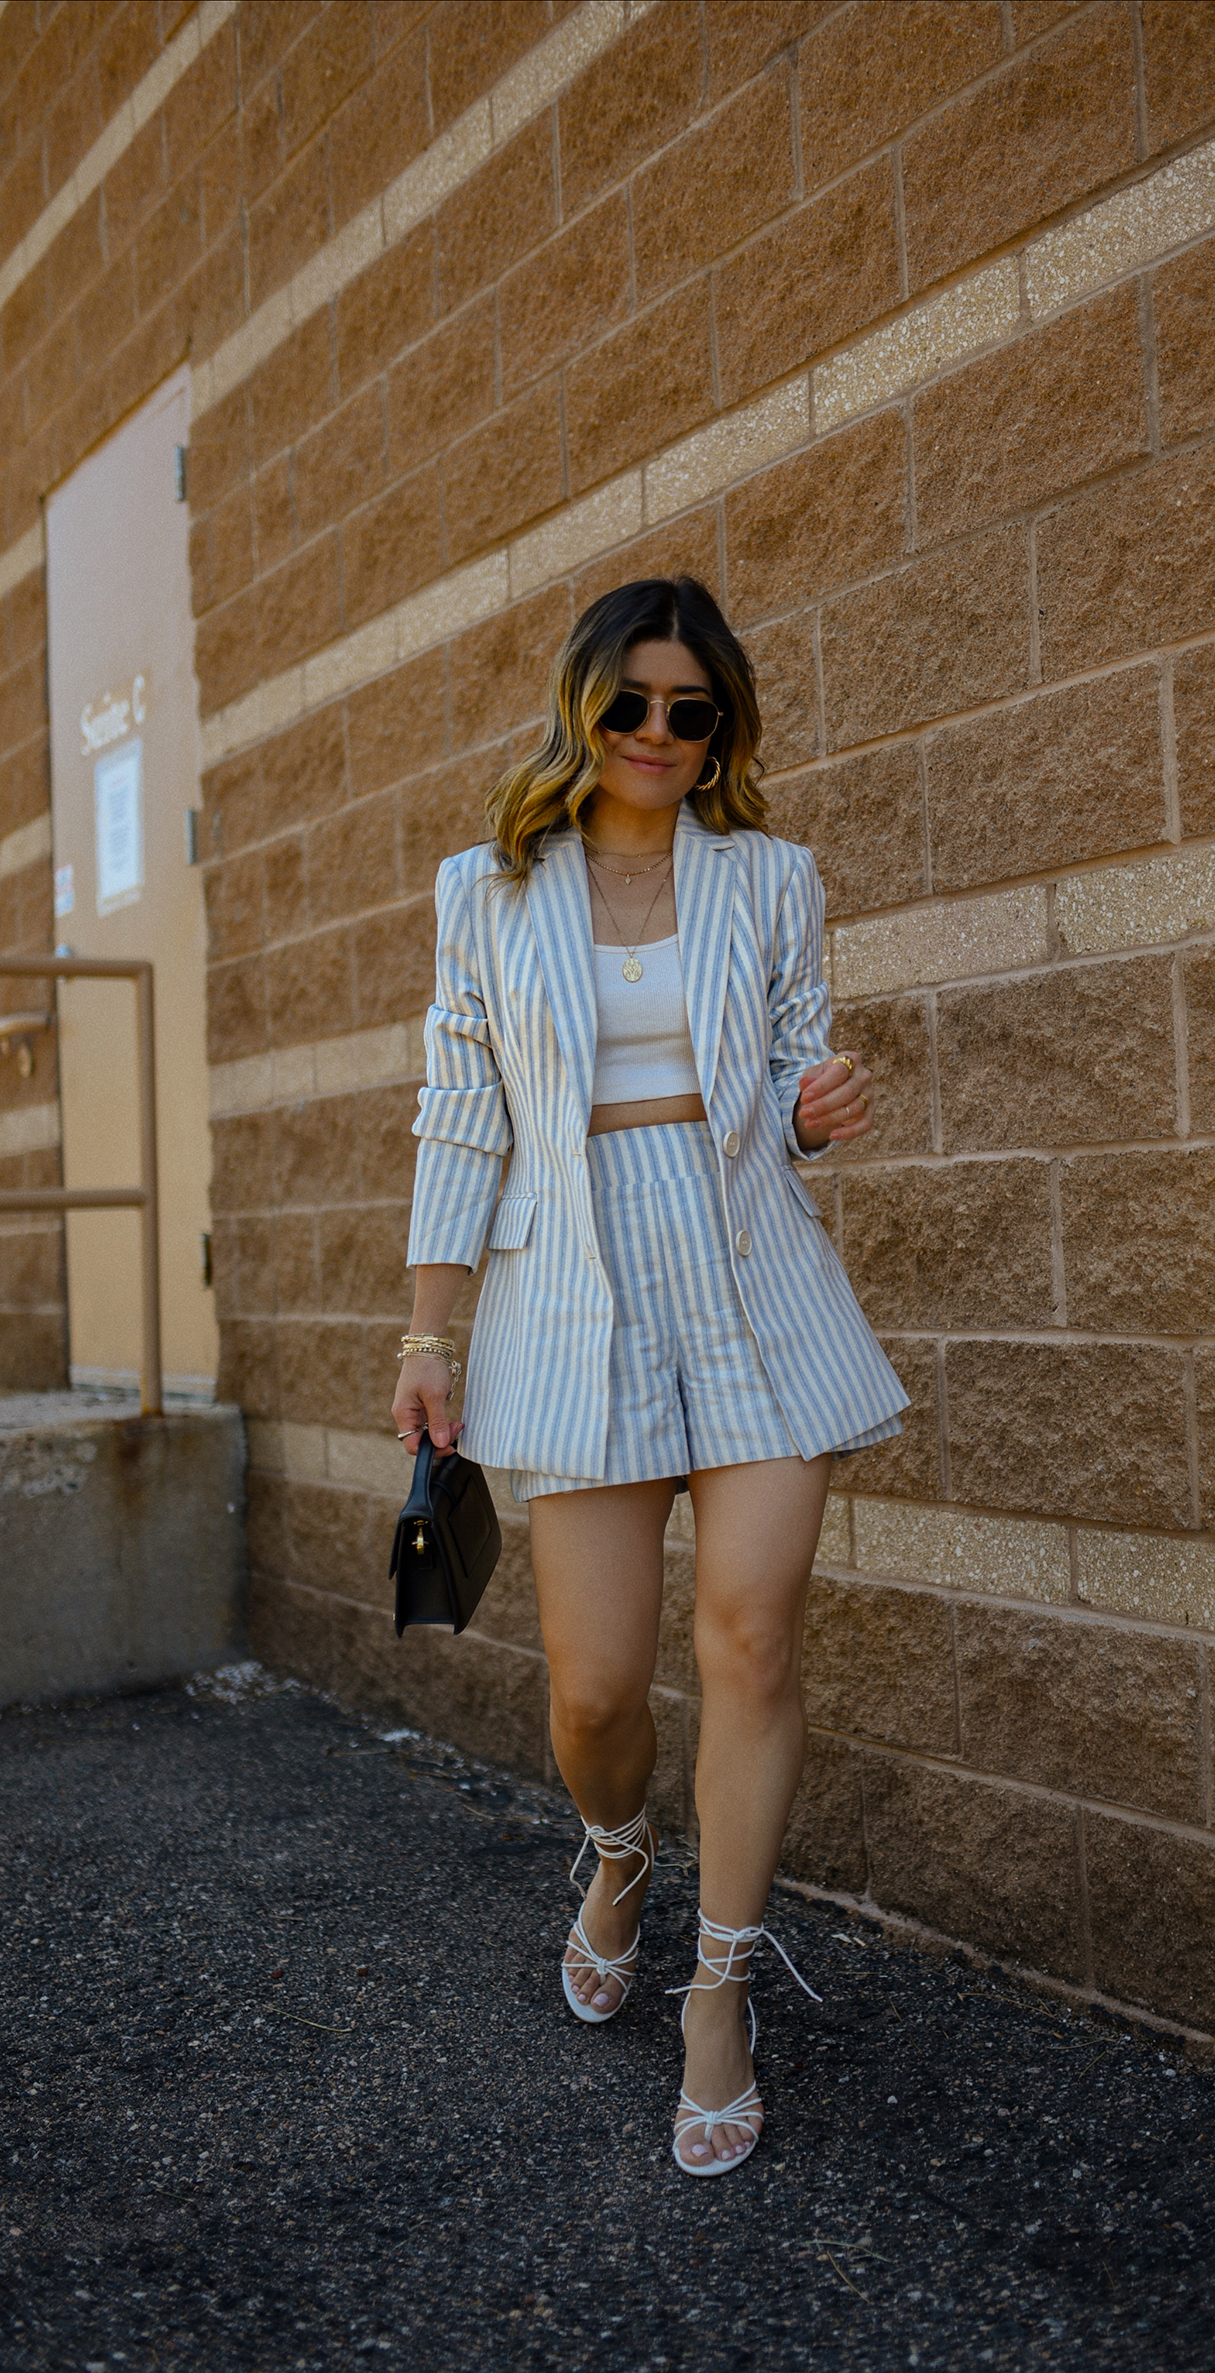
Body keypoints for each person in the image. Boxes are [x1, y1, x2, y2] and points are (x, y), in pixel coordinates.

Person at [391, 577, 906, 2177]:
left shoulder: (772, 877)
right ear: (581, 705)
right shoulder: (487, 889)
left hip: (753, 1274)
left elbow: (782, 1075)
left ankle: (722, 1987)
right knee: (597, 1688)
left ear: (723, 723)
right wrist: (430, 1328)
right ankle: (617, 1855)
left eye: (696, 711)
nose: (662, 736)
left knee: (748, 1639)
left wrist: (814, 1109)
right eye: (633, 706)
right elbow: (462, 1115)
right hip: (572, 1286)